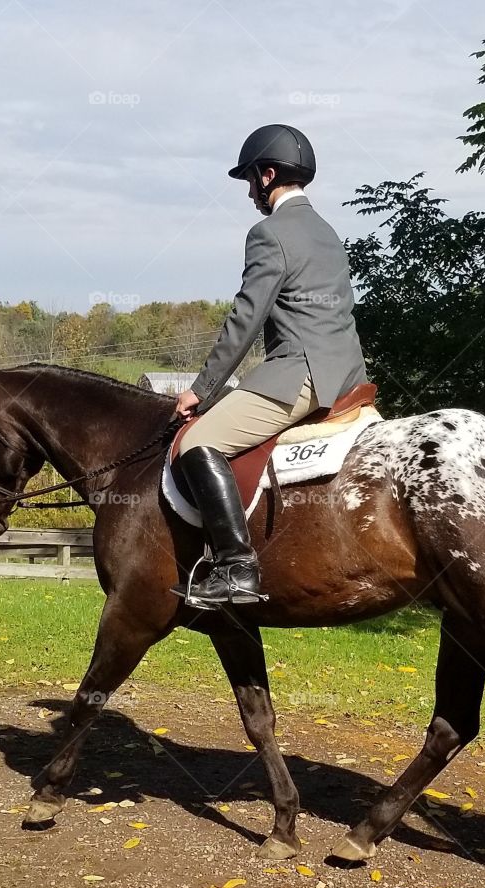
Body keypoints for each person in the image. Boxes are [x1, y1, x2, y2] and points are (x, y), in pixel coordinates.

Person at [170, 123, 368, 609]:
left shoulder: (269, 233)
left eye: (250, 180)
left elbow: (245, 318)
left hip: (299, 374)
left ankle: (236, 566)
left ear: (268, 175)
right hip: (349, 376)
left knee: (198, 441)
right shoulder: (327, 232)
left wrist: (202, 389)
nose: (250, 193)